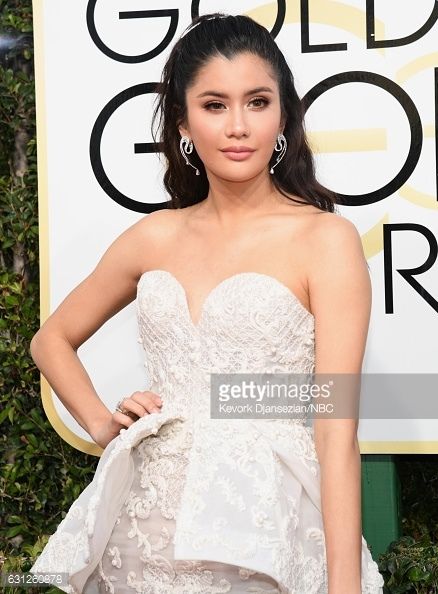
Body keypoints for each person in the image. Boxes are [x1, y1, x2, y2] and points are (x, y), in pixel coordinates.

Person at [29, 12, 385, 594]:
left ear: (285, 116)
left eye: (258, 102)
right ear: (185, 123)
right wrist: (103, 425)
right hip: (141, 537)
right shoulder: (154, 236)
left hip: (264, 536)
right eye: (215, 105)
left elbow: (335, 434)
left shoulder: (325, 241)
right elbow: (51, 339)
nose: (238, 126)